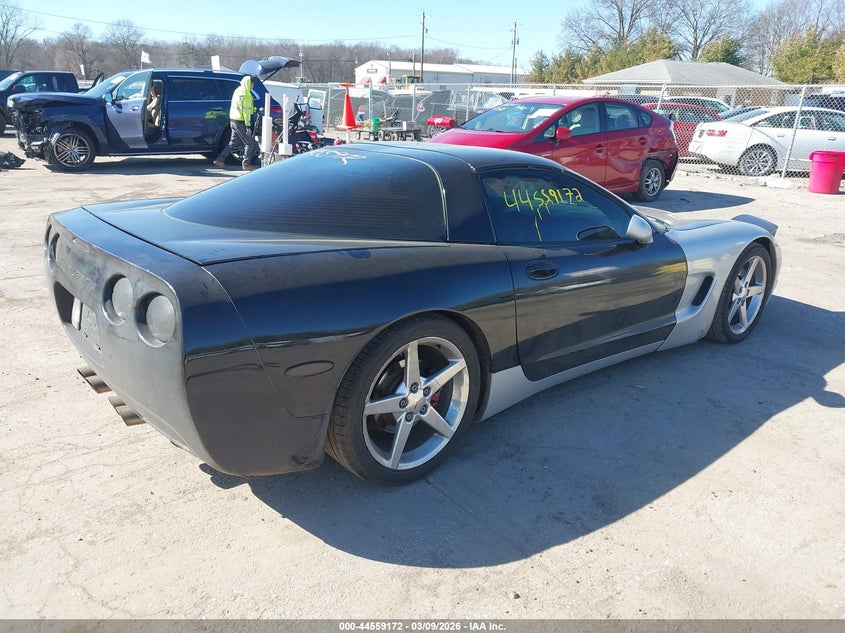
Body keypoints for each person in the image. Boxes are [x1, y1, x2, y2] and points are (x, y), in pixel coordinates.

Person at [214, 74, 258, 171]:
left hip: (233, 120)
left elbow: (240, 107)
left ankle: (220, 160)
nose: (252, 87)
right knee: (249, 143)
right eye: (252, 85)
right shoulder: (246, 94)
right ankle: (246, 164)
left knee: (233, 142)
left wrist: (253, 109)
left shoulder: (238, 90)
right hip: (240, 121)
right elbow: (246, 111)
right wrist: (248, 126)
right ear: (249, 84)